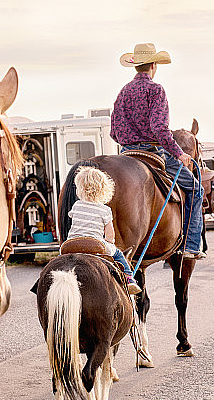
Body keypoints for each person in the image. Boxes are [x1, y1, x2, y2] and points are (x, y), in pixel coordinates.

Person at [110, 43, 206, 260]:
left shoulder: (123, 92)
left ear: (136, 66)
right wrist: (179, 153)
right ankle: (190, 246)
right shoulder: (156, 90)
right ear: (153, 65)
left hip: (126, 153)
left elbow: (114, 132)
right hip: (153, 153)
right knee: (196, 189)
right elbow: (159, 129)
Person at [67, 167, 142, 295]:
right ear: (102, 190)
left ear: (80, 190)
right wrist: (110, 241)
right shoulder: (105, 210)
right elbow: (109, 236)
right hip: (95, 244)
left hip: (72, 244)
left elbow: (73, 219)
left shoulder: (76, 205)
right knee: (118, 253)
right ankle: (129, 278)